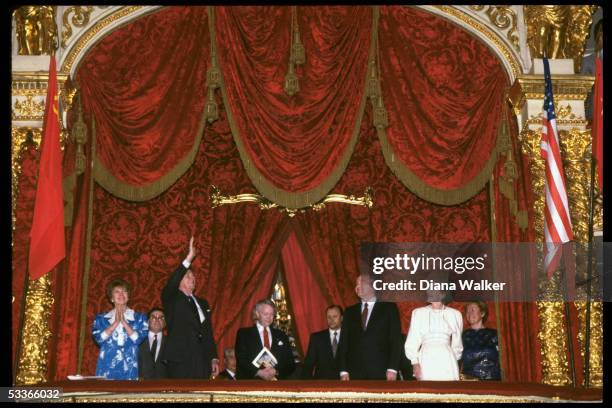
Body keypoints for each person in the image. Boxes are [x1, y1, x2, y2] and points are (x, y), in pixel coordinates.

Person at [162, 236, 219, 379]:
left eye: (193, 277)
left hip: (201, 359)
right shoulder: (172, 298)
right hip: (180, 358)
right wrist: (189, 258)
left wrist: (213, 357)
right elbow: (172, 283)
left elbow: (207, 332)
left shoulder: (203, 303)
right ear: (179, 280)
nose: (192, 278)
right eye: (188, 276)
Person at [338, 275, 402, 380]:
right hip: (354, 373)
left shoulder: (389, 308)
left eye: (361, 283)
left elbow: (395, 340)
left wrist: (393, 368)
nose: (357, 287)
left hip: (382, 371)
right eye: (356, 284)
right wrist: (343, 370)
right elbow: (344, 342)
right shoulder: (349, 312)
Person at [92, 279, 148, 380]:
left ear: (128, 296)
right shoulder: (101, 319)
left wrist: (124, 323)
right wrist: (115, 323)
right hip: (107, 365)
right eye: (117, 291)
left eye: (124, 291)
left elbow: (138, 339)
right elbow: (99, 339)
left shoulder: (140, 318)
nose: (121, 294)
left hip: (130, 366)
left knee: (128, 394)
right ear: (111, 298)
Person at [405, 290, 463, 381]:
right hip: (426, 359)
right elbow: (412, 342)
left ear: (443, 293)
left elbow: (457, 344)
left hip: (447, 360)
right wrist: (415, 363)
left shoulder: (455, 314)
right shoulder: (418, 313)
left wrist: (454, 363)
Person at [235, 299, 295, 380]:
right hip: (251, 384)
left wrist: (276, 371)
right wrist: (258, 372)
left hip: (277, 384)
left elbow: (290, 363)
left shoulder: (281, 335)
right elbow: (241, 360)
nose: (269, 317)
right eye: (266, 314)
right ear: (257, 313)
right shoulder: (244, 334)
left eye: (272, 314)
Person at [460, 301, 501, 380]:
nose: (469, 313)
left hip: (492, 381)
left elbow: (503, 359)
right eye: (467, 311)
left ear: (482, 313)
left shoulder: (494, 334)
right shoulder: (463, 335)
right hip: (469, 381)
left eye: (472, 310)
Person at [301, 305, 343, 379]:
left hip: (345, 385)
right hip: (321, 385)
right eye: (329, 317)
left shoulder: (350, 337)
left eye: (335, 316)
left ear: (342, 318)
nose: (331, 320)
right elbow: (308, 365)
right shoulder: (316, 338)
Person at [138, 307, 168, 379]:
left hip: (164, 386)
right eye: (153, 317)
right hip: (140, 385)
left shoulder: (171, 342)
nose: (157, 320)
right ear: (148, 322)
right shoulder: (138, 340)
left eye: (161, 318)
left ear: (165, 323)